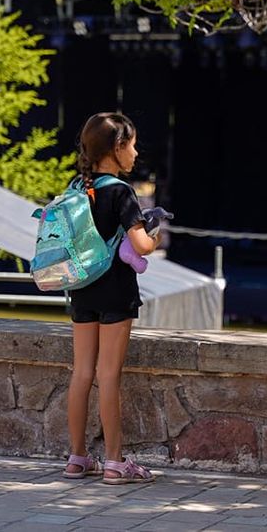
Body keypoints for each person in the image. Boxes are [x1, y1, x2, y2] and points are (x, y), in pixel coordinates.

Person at [62, 112, 159, 485]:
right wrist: (155, 236)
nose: (136, 153)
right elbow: (141, 246)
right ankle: (116, 462)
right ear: (117, 148)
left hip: (82, 288)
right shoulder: (120, 191)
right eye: (132, 145)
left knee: (82, 372)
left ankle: (76, 457)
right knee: (109, 375)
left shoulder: (76, 186)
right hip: (116, 292)